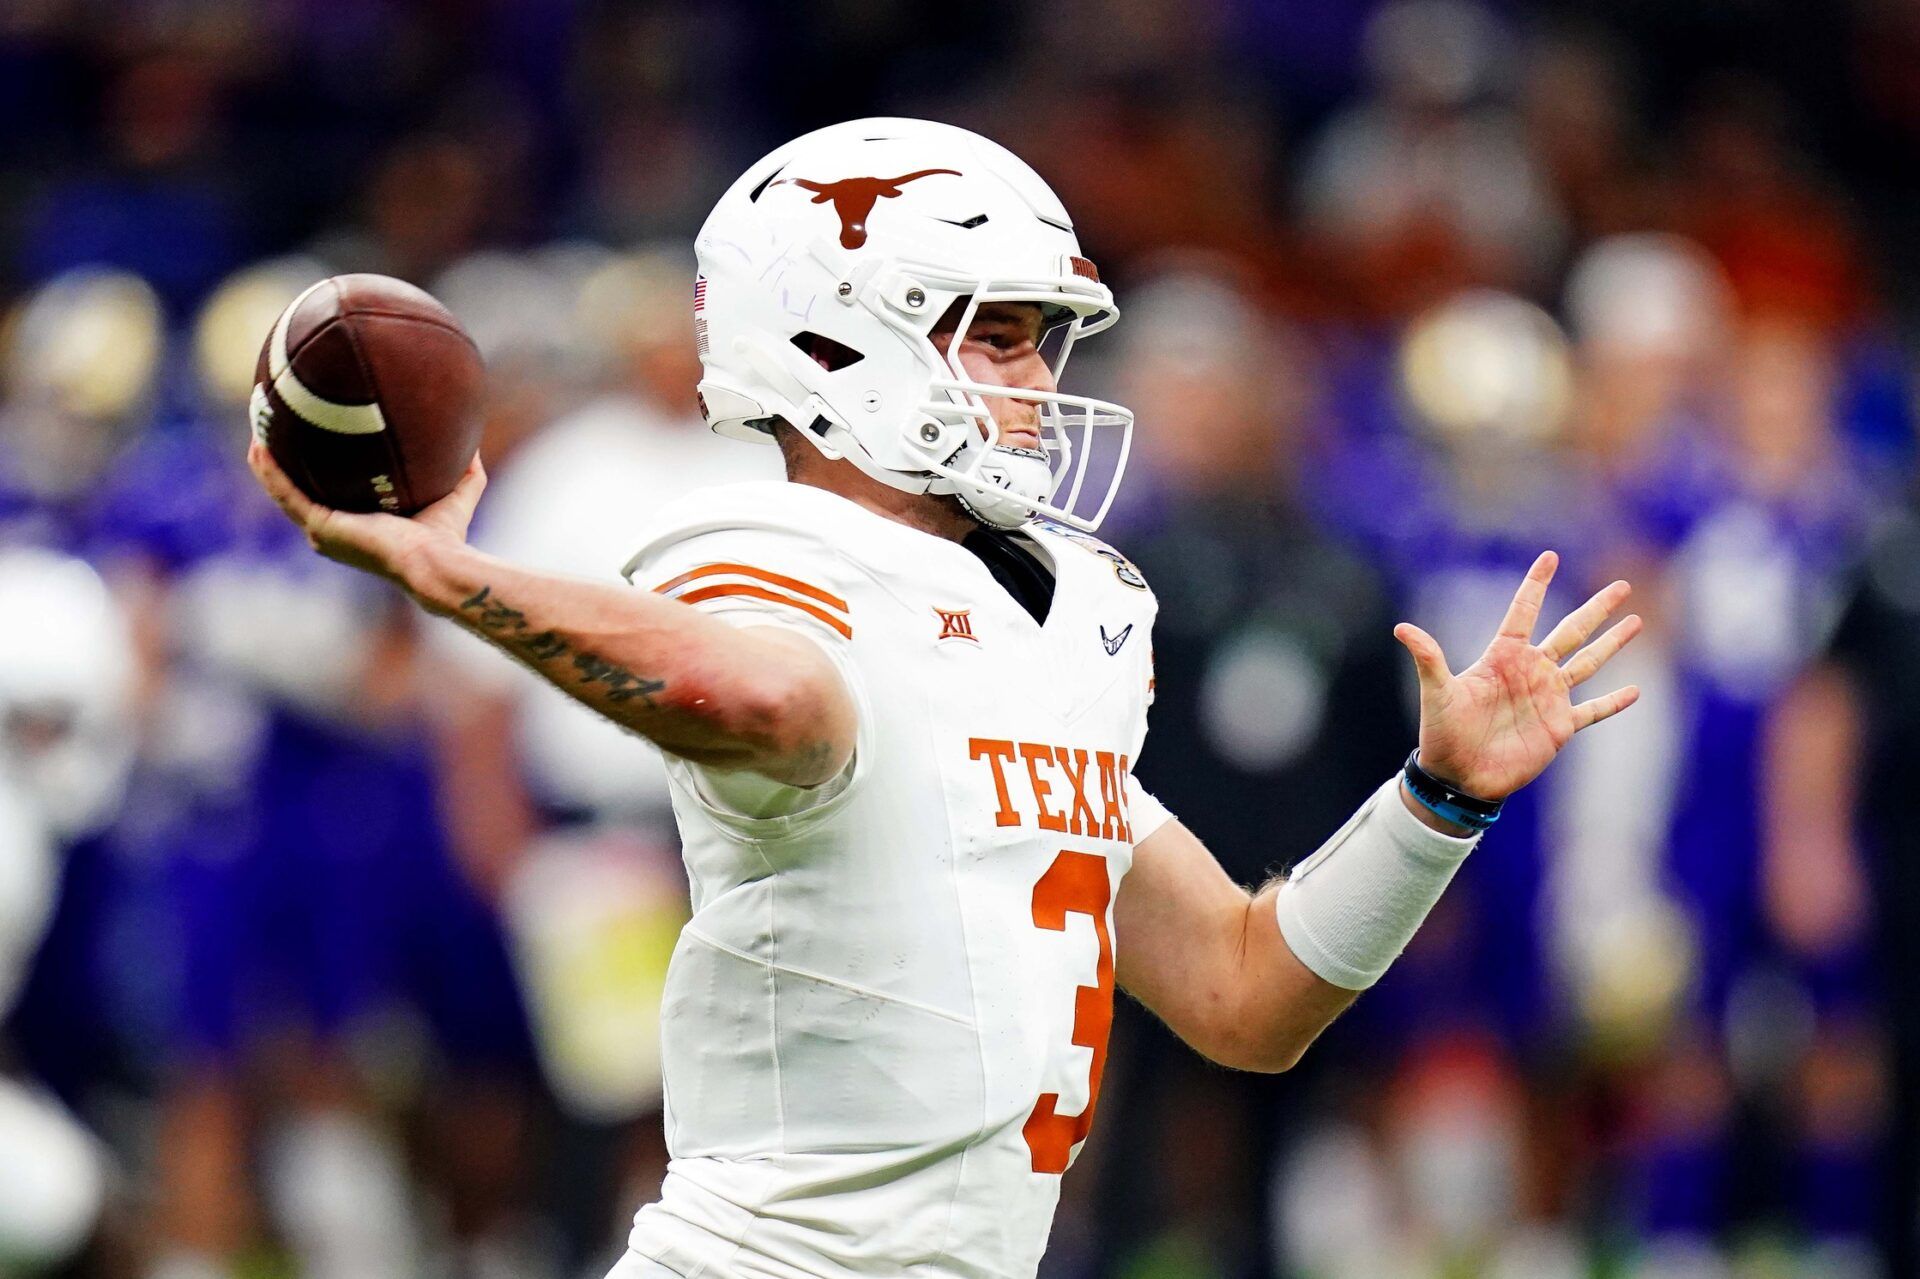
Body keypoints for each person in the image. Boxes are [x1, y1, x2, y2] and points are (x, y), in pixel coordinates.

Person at [247, 117, 1642, 1279]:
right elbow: (770, 699)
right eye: (1005, 335)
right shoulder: (762, 550)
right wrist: (451, 574)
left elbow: (1241, 995)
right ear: (837, 347)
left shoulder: (1069, 614)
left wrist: (1435, 801)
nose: (1042, 384)